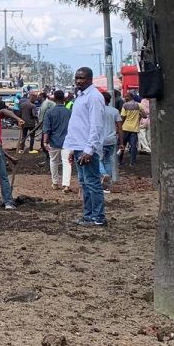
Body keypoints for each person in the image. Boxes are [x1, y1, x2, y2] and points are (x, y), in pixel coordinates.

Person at [64, 68, 109, 227]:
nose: (78, 81)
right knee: (84, 183)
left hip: (87, 149)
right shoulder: (80, 97)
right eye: (76, 78)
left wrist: (89, 149)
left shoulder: (94, 97)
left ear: (90, 79)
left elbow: (96, 125)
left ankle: (98, 217)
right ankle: (88, 215)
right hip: (78, 147)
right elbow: (78, 124)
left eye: (82, 78)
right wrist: (72, 149)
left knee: (92, 183)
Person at [42, 90, 72, 190]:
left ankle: (55, 182)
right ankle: (66, 185)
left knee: (54, 161)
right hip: (67, 142)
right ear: (64, 99)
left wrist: (45, 142)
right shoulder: (69, 112)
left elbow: (46, 129)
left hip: (53, 141)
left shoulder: (49, 112)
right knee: (67, 162)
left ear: (54, 99)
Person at [100, 93, 121, 193]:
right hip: (111, 140)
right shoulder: (115, 111)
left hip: (99, 140)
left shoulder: (97, 111)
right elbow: (120, 127)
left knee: (97, 159)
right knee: (107, 160)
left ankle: (104, 174)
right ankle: (107, 186)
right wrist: (122, 142)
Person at [120, 93, 142, 167]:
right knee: (133, 146)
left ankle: (119, 160)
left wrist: (119, 127)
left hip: (125, 128)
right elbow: (145, 115)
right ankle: (132, 162)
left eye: (127, 96)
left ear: (131, 97)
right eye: (125, 96)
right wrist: (139, 116)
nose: (125, 98)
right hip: (134, 129)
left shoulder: (125, 105)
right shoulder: (139, 105)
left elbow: (122, 117)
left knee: (122, 144)